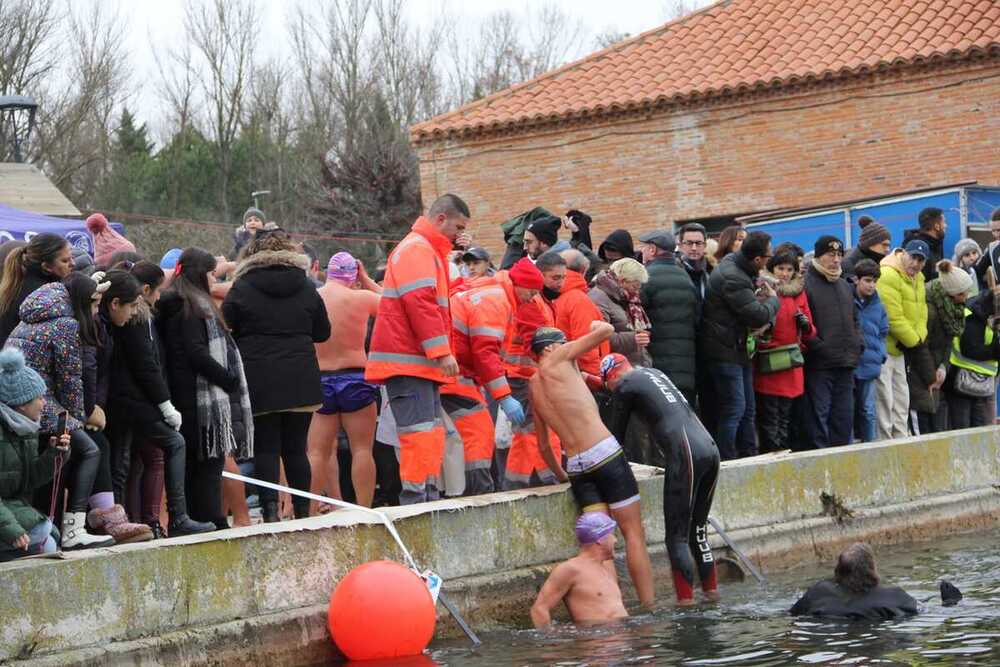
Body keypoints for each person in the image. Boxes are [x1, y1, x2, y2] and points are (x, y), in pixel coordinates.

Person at [7, 276, 149, 548]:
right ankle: (74, 529)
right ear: (83, 302)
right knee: (90, 450)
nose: (97, 311)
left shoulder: (34, 316)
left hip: (24, 403)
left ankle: (53, 530)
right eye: (95, 304)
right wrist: (79, 420)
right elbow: (71, 379)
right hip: (39, 403)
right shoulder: (66, 324)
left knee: (69, 456)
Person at [529, 321, 654, 608]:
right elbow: (606, 331)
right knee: (633, 534)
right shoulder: (557, 358)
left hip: (577, 467)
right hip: (605, 455)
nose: (568, 347)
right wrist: (597, 324)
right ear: (549, 347)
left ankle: (612, 609)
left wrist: (563, 476)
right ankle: (649, 609)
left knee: (600, 541)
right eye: (564, 342)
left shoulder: (534, 385)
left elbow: (545, 446)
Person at [366, 194, 468, 504]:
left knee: (427, 435)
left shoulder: (423, 250)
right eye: (458, 226)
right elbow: (420, 303)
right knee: (419, 436)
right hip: (411, 363)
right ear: (440, 219)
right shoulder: (418, 249)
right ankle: (417, 503)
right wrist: (441, 351)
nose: (460, 234)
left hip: (416, 364)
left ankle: (424, 498)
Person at [223, 231, 331, 521]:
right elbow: (323, 332)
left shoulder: (242, 286)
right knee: (297, 449)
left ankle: (270, 513)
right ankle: (302, 512)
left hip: (260, 378)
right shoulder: (306, 286)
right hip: (301, 377)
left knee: (266, 448)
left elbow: (228, 323)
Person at [602, 353, 720, 605]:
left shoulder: (624, 385)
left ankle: (685, 605)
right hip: (710, 450)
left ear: (611, 376)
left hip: (686, 453)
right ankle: (712, 594)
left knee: (676, 538)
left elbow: (615, 438)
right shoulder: (654, 374)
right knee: (698, 531)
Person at [106, 264, 215, 536]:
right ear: (145, 290)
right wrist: (165, 405)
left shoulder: (140, 317)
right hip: (130, 400)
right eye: (157, 292)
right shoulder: (136, 318)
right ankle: (174, 517)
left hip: (131, 399)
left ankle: (140, 520)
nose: (158, 298)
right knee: (164, 446)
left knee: (128, 461)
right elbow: (145, 364)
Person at [159, 249, 254, 529]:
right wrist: (228, 379)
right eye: (212, 273)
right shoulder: (192, 306)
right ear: (201, 274)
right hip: (197, 397)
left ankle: (202, 517)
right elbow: (196, 352)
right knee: (207, 463)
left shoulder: (179, 301)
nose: (215, 278)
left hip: (183, 393)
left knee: (198, 463)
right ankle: (210, 518)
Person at [446, 257, 544, 495]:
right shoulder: (496, 300)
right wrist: (504, 396)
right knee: (479, 433)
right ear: (519, 284)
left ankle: (472, 493)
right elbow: (485, 351)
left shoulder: (491, 291)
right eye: (531, 291)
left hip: (455, 371)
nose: (532, 297)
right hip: (455, 373)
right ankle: (478, 497)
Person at [307, 252, 381, 510]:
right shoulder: (361, 297)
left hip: (321, 379)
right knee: (362, 450)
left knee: (317, 452)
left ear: (328, 273)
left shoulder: (312, 298)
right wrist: (367, 279)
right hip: (356, 378)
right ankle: (364, 509)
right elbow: (394, 306)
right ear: (353, 275)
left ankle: (310, 511)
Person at [701, 231, 780, 459]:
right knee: (735, 409)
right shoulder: (733, 277)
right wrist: (774, 300)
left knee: (747, 409)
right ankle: (726, 459)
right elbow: (757, 316)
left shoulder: (735, 266)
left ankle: (748, 455)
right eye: (768, 255)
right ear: (757, 259)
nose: (770, 259)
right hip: (724, 351)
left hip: (737, 349)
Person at [0, 348, 72, 561]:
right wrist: (11, 530)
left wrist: (54, 454)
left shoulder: (25, 428)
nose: (44, 403)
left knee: (48, 536)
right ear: (22, 404)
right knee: (44, 536)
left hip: (11, 506)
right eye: (39, 398)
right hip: (5, 513)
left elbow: (29, 480)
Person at [753, 252, 816, 453]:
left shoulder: (799, 292)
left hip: (792, 362)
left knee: (786, 416)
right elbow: (756, 325)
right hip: (769, 361)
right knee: (770, 415)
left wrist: (805, 326)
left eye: (789, 269)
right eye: (780, 268)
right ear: (772, 269)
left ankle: (784, 453)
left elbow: (811, 330)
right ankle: (772, 454)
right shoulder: (763, 290)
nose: (785, 274)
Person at [803, 236, 862, 448]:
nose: (836, 260)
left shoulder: (844, 285)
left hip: (846, 362)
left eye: (839, 255)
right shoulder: (807, 284)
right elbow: (803, 324)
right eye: (831, 255)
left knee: (843, 417)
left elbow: (855, 319)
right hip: (820, 364)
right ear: (819, 256)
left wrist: (858, 344)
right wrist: (819, 346)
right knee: (820, 416)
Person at [530, 512, 629, 627]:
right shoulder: (570, 569)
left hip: (621, 640)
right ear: (600, 539)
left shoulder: (606, 568)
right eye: (611, 534)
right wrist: (551, 641)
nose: (615, 540)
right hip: (597, 642)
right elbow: (539, 609)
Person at [875, 239, 929, 440]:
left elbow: (922, 311)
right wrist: (915, 341)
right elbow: (892, 316)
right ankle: (885, 442)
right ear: (904, 253)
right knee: (885, 399)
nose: (916, 264)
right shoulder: (887, 274)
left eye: (921, 260)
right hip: (886, 348)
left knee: (901, 398)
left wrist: (919, 336)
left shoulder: (919, 277)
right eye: (913, 257)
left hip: (903, 347)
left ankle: (901, 439)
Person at [910, 261, 972, 435]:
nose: (967, 296)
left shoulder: (952, 308)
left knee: (936, 426)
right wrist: (931, 377)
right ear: (953, 293)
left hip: (936, 370)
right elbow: (920, 345)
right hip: (921, 374)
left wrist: (944, 367)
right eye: (964, 292)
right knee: (923, 425)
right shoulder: (929, 309)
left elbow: (948, 341)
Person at [638, 230, 698, 405]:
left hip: (659, 364)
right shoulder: (685, 277)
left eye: (643, 247)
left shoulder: (645, 277)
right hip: (686, 364)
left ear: (652, 250)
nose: (641, 251)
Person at [790, 543, 918, 619]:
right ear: (871, 568)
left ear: (838, 569)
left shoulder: (818, 592)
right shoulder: (894, 596)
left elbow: (792, 613)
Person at [0, 233, 73, 347]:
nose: (73, 263)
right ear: (47, 267)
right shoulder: (43, 296)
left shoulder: (17, 283)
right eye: (65, 261)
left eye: (71, 258)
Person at [944, 289, 1000, 429]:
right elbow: (971, 350)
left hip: (979, 383)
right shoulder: (974, 318)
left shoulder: (984, 314)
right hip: (961, 382)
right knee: (962, 429)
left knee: (979, 429)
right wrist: (996, 350)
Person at [554, 250, 608, 377]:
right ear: (584, 270)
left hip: (566, 370)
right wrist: (597, 378)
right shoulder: (578, 300)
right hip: (583, 375)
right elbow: (587, 347)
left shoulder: (554, 295)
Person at [852, 260, 889, 443]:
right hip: (851, 363)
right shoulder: (847, 301)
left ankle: (871, 447)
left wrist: (881, 355)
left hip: (870, 364)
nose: (871, 285)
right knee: (848, 410)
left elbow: (883, 332)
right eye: (867, 280)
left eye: (874, 281)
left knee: (868, 409)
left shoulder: (879, 306)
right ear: (856, 280)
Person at [589, 258, 652, 367]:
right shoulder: (598, 299)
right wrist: (633, 339)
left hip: (631, 365)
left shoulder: (625, 298)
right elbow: (597, 338)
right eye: (634, 287)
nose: (637, 292)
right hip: (617, 369)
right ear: (623, 281)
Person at [903, 207, 946, 282]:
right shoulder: (917, 249)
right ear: (937, 226)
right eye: (944, 222)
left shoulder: (936, 243)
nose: (945, 226)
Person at [676, 223, 710, 314]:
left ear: (705, 245)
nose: (694, 248)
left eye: (698, 243)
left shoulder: (712, 271)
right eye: (689, 243)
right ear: (680, 245)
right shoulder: (673, 272)